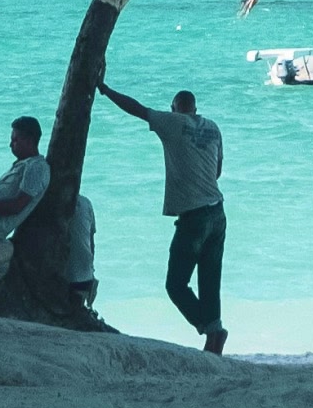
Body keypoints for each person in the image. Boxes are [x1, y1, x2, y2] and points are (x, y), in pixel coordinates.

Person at [96, 68, 227, 354]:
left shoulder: (172, 122)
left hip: (194, 217)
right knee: (210, 279)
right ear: (196, 108)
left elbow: (137, 109)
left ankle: (208, 328)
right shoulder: (213, 126)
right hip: (218, 212)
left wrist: (105, 90)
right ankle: (215, 335)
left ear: (175, 108)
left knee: (176, 285)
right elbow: (217, 170)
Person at [67, 193, 98, 308]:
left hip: (63, 279)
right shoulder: (86, 203)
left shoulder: (48, 205)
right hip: (85, 278)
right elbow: (91, 242)